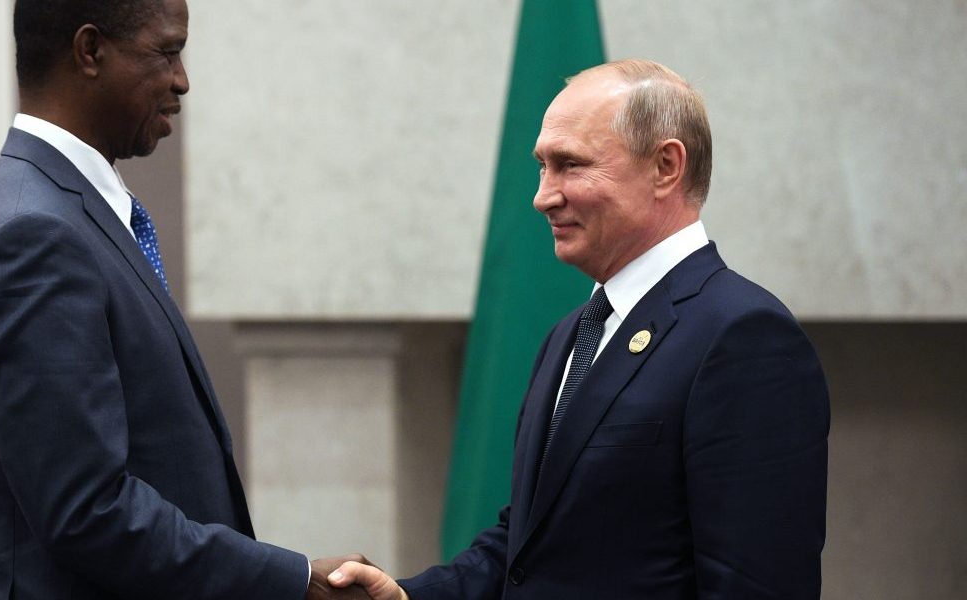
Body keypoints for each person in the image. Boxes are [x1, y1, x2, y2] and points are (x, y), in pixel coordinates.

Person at [328, 59, 830, 599]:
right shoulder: (572, 334)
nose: (543, 196)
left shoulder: (742, 335)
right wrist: (409, 597)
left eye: (569, 165)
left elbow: (756, 584)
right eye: (542, 166)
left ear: (666, 166)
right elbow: (528, 545)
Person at [0, 1, 370, 598]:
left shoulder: (59, 209)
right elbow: (87, 510)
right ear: (90, 52)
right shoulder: (31, 232)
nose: (182, 79)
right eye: (166, 52)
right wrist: (291, 581)